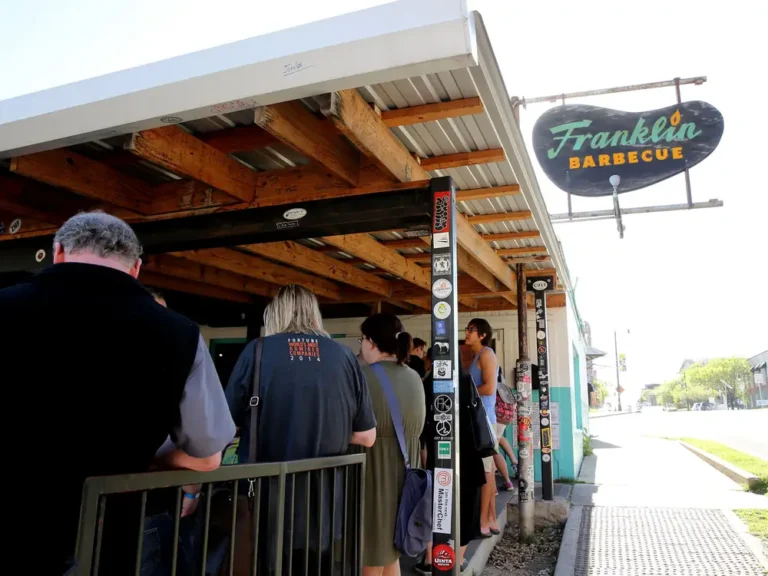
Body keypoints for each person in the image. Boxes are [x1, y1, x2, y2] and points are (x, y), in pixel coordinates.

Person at [0, 212, 235, 575]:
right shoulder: (181, 333)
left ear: (58, 251)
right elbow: (207, 456)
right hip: (106, 529)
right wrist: (150, 457)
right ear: (137, 267)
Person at [225, 284, 377, 575]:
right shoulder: (345, 357)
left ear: (276, 313)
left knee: (265, 564)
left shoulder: (257, 351)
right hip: (324, 499)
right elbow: (367, 436)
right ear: (315, 315)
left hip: (266, 495)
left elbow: (226, 426)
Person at [357, 314, 426, 576]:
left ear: (372, 343)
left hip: (374, 476)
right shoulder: (413, 378)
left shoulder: (361, 377)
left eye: (362, 339)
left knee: (373, 556)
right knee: (390, 554)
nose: (361, 345)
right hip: (407, 477)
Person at [415, 365, 486, 574]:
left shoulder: (427, 384)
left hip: (438, 458)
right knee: (467, 509)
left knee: (434, 509)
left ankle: (430, 559)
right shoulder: (467, 382)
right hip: (470, 457)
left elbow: (423, 425)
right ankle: (459, 558)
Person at [465, 318, 501, 537]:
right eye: (467, 329)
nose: (467, 333)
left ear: (483, 335)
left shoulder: (487, 355)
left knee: (486, 471)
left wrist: (464, 393)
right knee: (489, 470)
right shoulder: (476, 356)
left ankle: (482, 522)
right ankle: (491, 519)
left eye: (472, 330)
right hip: (481, 419)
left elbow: (489, 388)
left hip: (485, 420)